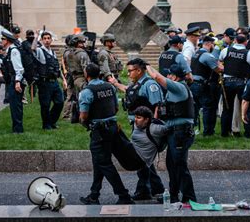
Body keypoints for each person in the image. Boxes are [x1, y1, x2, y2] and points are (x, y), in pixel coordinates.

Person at [109, 58, 165, 201]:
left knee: (141, 159)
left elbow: (157, 107)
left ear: (139, 71)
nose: (128, 74)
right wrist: (115, 83)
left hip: (146, 128)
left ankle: (149, 189)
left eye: (130, 71)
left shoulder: (150, 85)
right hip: (139, 126)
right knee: (143, 159)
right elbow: (129, 91)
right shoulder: (138, 84)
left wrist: (152, 127)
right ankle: (151, 188)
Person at [79, 63, 134, 205]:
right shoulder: (109, 87)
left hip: (100, 131)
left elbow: (83, 116)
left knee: (104, 163)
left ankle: (123, 195)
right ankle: (94, 195)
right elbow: (115, 108)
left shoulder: (87, 91)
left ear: (87, 75)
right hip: (113, 128)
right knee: (99, 162)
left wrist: (84, 122)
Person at [146, 63, 196, 203]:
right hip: (175, 133)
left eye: (169, 74)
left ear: (174, 76)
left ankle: (189, 197)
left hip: (180, 133)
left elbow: (156, 76)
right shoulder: (176, 88)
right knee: (172, 165)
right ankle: (173, 196)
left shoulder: (178, 86)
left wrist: (147, 65)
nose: (167, 76)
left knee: (179, 166)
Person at [219, 33, 250, 138]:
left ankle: (224, 133)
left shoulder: (225, 50)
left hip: (227, 82)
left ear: (235, 40)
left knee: (227, 108)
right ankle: (248, 133)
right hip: (242, 83)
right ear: (246, 42)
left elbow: (220, 62)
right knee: (246, 108)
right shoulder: (249, 54)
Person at [190, 36, 223, 136]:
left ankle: (192, 129)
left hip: (193, 84)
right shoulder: (207, 55)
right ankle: (208, 131)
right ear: (209, 44)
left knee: (194, 108)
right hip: (202, 85)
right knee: (208, 107)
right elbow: (218, 70)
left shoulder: (196, 53)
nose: (214, 47)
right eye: (213, 45)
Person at [31, 31, 65, 130]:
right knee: (45, 105)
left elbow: (57, 68)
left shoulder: (53, 52)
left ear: (51, 39)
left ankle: (52, 121)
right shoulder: (40, 51)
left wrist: (64, 80)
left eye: (48, 38)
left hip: (54, 82)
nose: (46, 40)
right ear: (41, 40)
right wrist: (36, 37)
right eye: (44, 38)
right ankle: (46, 125)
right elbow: (33, 48)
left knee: (60, 102)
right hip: (44, 83)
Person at [2, 31, 26, 133]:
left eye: (3, 39)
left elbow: (19, 69)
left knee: (16, 106)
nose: (1, 41)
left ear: (7, 40)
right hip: (14, 81)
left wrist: (17, 82)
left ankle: (18, 129)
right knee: (15, 106)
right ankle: (16, 128)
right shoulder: (9, 50)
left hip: (15, 82)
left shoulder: (14, 51)